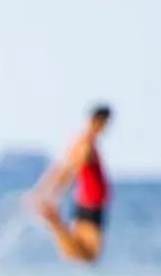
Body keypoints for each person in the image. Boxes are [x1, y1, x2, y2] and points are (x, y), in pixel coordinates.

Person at [34, 105, 112, 264]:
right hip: (92, 202)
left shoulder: (82, 141)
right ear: (98, 121)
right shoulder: (86, 145)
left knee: (78, 253)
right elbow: (70, 170)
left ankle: (55, 222)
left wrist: (43, 189)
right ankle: (54, 221)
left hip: (87, 201)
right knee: (88, 255)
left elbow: (62, 167)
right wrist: (52, 193)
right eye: (104, 124)